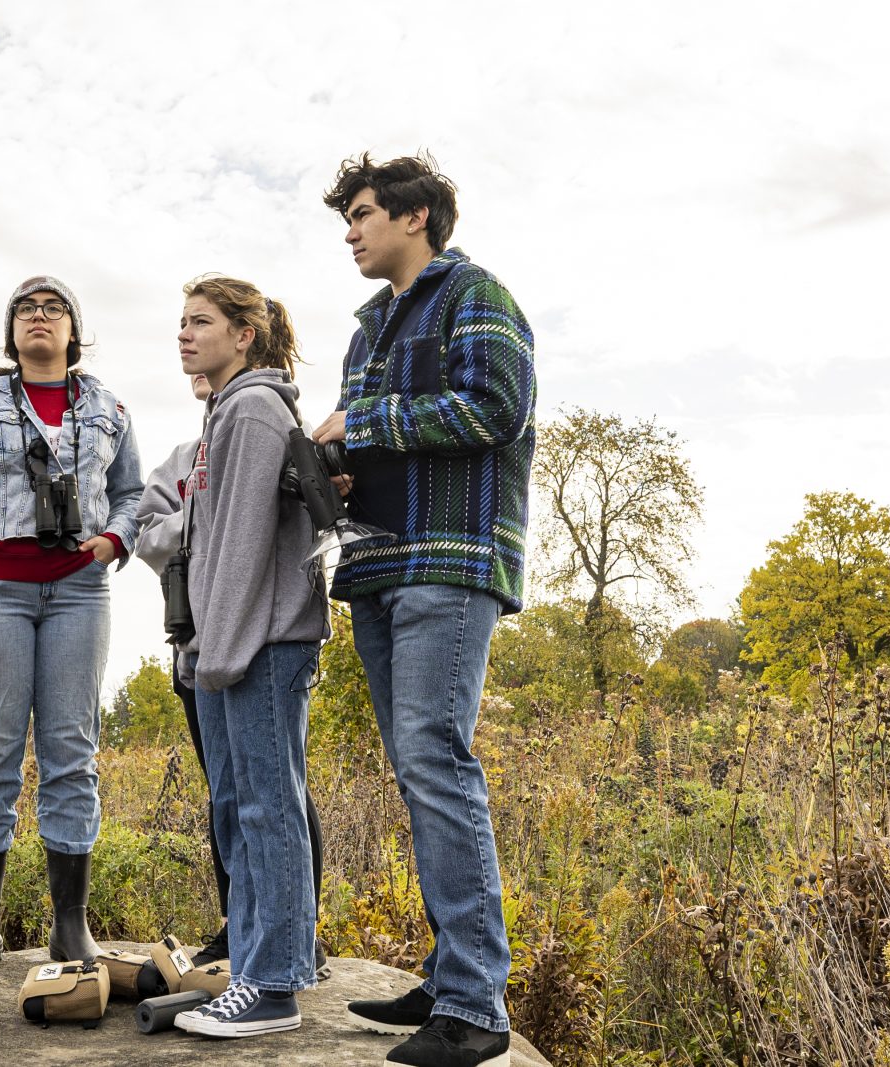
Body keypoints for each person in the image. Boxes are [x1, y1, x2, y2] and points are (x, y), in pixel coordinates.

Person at [314, 152, 535, 1067]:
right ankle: (450, 975)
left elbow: (497, 405)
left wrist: (358, 428)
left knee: (440, 762)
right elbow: (371, 441)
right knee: (416, 768)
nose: (352, 232)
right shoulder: (367, 331)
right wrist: (332, 466)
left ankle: (478, 1005)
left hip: (452, 559)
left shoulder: (476, 293)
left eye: (363, 214)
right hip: (378, 564)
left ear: (418, 216)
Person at [0, 276, 143, 977]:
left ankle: (70, 925)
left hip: (79, 592)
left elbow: (134, 493)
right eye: (26, 308)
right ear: (12, 331)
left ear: (72, 332)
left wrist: (116, 537)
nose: (39, 317)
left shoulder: (109, 407)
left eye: (53, 309)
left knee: (71, 751)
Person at [159, 277, 329, 1040]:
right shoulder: (223, 412)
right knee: (237, 812)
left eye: (201, 322)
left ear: (244, 335)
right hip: (230, 643)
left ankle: (278, 982)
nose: (186, 335)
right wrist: (203, 648)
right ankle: (256, 968)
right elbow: (201, 540)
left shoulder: (255, 409)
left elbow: (240, 549)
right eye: (182, 323)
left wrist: (215, 649)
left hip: (261, 640)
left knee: (268, 810)